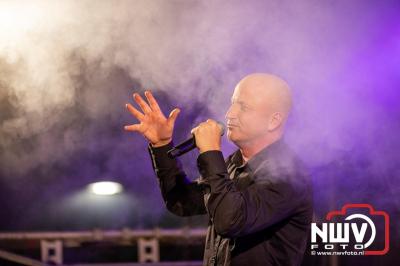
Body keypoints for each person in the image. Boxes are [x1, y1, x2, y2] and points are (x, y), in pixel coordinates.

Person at [124, 73, 313, 266]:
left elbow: (230, 220)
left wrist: (210, 152)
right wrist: (162, 146)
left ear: (274, 120)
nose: (229, 113)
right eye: (233, 103)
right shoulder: (234, 163)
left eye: (244, 107)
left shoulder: (290, 177)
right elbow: (182, 202)